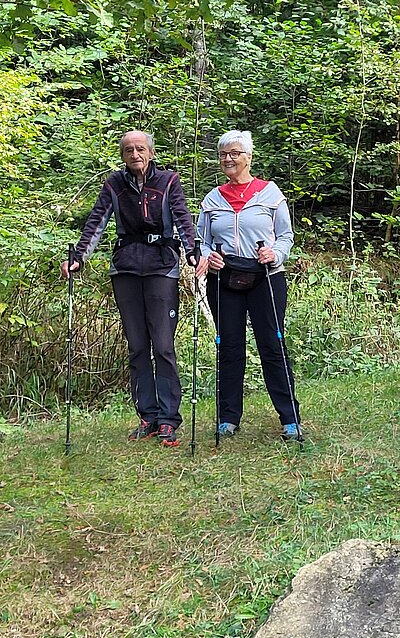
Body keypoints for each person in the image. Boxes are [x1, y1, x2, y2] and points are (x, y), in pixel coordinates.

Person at [61, 130, 196, 447]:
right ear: (122, 155)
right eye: (128, 150)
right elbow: (97, 220)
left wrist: (193, 252)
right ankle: (147, 416)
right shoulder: (114, 184)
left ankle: (168, 420)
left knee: (162, 345)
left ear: (150, 152)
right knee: (137, 346)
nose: (134, 154)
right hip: (125, 267)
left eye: (140, 149)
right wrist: (79, 256)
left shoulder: (168, 180)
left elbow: (182, 218)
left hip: (162, 266)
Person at [196, 129, 302, 441]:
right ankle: (228, 418)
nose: (228, 159)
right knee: (229, 347)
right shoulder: (212, 199)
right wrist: (208, 257)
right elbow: (202, 242)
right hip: (224, 279)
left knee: (272, 344)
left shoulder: (270, 193)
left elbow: (285, 236)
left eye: (234, 153)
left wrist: (276, 253)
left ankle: (290, 419)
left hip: (266, 278)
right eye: (223, 154)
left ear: (248, 157)